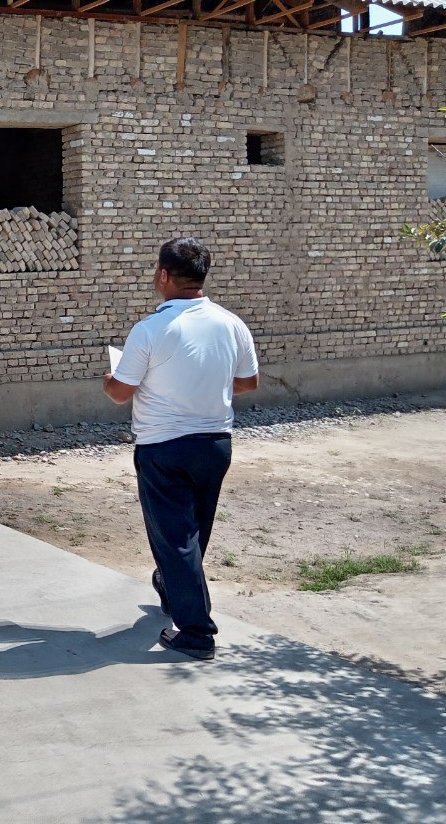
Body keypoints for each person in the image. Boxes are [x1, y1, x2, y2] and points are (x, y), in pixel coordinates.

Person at [102, 238, 259, 660]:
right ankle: (174, 587)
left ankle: (196, 633)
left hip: (164, 447)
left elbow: (120, 393)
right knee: (191, 534)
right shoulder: (231, 323)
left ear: (164, 275)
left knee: (175, 540)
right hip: (215, 445)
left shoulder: (150, 329)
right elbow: (248, 383)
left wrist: (109, 379)